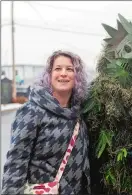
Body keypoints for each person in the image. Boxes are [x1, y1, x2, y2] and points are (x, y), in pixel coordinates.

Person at [2, 50, 90, 194]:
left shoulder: (78, 116)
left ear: (77, 77)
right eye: (58, 68)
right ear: (49, 75)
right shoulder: (32, 111)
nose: (63, 73)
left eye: (69, 69)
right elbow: (16, 163)